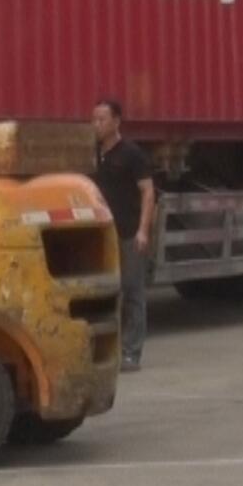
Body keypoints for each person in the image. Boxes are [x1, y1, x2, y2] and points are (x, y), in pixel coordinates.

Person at [91, 97, 155, 372]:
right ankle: (111, 350)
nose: (97, 124)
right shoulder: (94, 154)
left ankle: (131, 352)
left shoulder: (131, 154)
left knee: (132, 292)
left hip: (129, 233)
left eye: (102, 119)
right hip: (104, 235)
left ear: (116, 121)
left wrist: (143, 231)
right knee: (108, 292)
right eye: (94, 119)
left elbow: (148, 191)